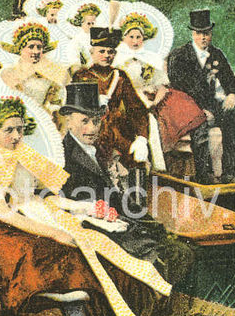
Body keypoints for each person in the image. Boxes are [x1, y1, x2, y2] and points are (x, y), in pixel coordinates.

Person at [0, 94, 171, 316]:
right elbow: (3, 213)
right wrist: (53, 231)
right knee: (63, 256)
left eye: (20, 129)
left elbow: (40, 197)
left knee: (98, 248)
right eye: (9, 130)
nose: (17, 136)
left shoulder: (25, 154)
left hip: (33, 214)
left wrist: (83, 207)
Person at [59, 83, 194, 286]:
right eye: (84, 121)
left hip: (117, 222)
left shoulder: (94, 150)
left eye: (96, 121)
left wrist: (151, 224)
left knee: (181, 248)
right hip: (95, 228)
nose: (92, 128)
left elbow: (114, 196)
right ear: (68, 121)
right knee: (173, 255)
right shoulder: (63, 156)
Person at [167, 9, 235, 184]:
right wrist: (201, 110)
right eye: (199, 33)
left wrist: (231, 94)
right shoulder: (179, 55)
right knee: (200, 127)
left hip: (211, 105)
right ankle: (204, 174)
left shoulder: (216, 54)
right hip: (186, 106)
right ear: (193, 33)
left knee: (231, 120)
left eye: (207, 34)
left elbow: (229, 79)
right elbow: (180, 88)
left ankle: (229, 172)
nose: (203, 38)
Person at [71, 28, 155, 182]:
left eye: (110, 52)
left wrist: (142, 138)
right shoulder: (81, 76)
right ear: (92, 52)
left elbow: (137, 110)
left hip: (117, 131)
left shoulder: (120, 76)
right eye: (101, 51)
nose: (106, 56)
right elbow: (74, 110)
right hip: (89, 129)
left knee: (132, 159)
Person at [0, 21, 70, 115]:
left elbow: (56, 102)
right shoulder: (8, 72)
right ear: (21, 49)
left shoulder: (50, 73)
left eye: (39, 47)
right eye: (31, 47)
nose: (36, 51)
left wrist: (50, 111)